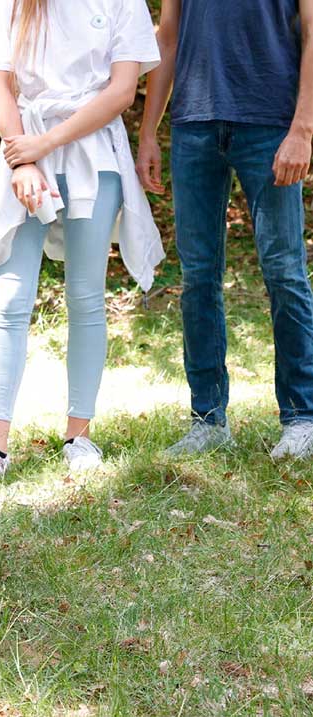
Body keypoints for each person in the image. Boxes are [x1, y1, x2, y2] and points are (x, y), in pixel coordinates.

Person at [0, 0, 163, 483]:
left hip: (93, 153)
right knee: (11, 297)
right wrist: (24, 161)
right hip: (24, 148)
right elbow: (0, 83)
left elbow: (123, 91)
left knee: (86, 295)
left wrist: (46, 145)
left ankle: (78, 435)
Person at [137, 0, 313, 459]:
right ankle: (208, 420)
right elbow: (169, 34)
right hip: (194, 125)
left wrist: (303, 130)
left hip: (270, 124)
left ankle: (302, 418)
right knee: (197, 278)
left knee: (284, 273)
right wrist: (149, 131)